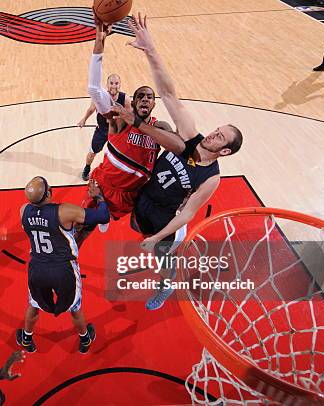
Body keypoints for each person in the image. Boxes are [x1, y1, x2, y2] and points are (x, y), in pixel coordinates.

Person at [116, 13, 243, 310]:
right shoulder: (189, 136)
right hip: (146, 200)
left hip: (167, 220)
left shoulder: (211, 177)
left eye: (220, 137)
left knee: (164, 258)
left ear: (225, 151)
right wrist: (151, 50)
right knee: (137, 226)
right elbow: (169, 94)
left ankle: (166, 284)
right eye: (217, 130)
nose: (213, 134)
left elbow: (188, 214)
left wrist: (160, 236)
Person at [76, 19, 185, 247]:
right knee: (84, 227)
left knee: (145, 229)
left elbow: (181, 147)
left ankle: (165, 270)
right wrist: (99, 43)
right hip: (105, 186)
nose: (145, 99)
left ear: (154, 104)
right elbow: (94, 90)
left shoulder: (160, 127)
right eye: (140, 96)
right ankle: (72, 256)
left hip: (135, 194)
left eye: (149, 97)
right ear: (132, 102)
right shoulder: (118, 120)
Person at [16, 176, 110, 354]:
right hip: (63, 269)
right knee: (74, 308)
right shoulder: (64, 211)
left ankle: (26, 338)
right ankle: (85, 339)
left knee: (34, 304)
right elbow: (103, 216)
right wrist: (99, 197)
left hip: (38, 268)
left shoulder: (23, 211)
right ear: (49, 194)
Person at [77, 73, 130, 181]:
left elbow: (129, 115)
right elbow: (91, 109)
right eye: (111, 83)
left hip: (118, 131)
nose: (114, 86)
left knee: (121, 155)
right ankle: (87, 168)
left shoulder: (125, 98)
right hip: (102, 130)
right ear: (107, 84)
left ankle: (119, 172)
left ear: (120, 85)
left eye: (116, 83)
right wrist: (84, 119)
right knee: (92, 152)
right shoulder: (100, 96)